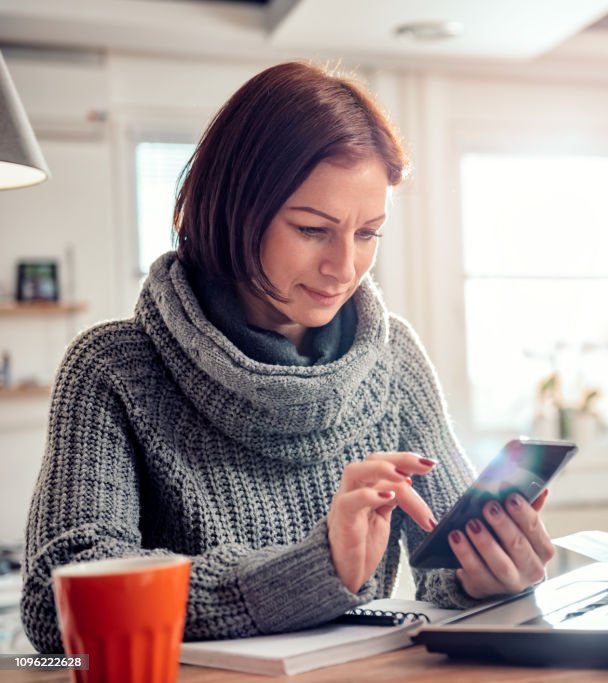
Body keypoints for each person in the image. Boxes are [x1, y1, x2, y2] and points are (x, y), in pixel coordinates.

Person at [20, 61, 556, 654]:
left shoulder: (393, 357)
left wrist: (483, 571)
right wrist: (312, 570)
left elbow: (443, 567)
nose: (343, 267)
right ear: (233, 211)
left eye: (367, 233)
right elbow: (55, 600)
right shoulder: (113, 368)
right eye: (311, 229)